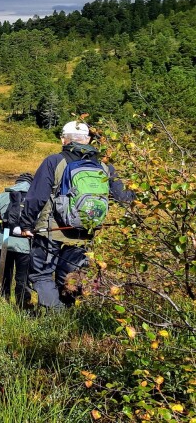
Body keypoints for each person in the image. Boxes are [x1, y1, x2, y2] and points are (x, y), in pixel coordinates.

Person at [19, 121, 131, 310]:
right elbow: (125, 198)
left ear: (64, 139)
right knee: (70, 275)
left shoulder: (54, 161)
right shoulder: (105, 167)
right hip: (85, 231)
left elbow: (36, 197)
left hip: (51, 230)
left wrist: (26, 225)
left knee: (42, 275)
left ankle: (56, 319)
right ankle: (68, 313)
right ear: (88, 140)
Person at [0, 172, 33, 308]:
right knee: (23, 280)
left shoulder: (4, 196)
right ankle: (23, 308)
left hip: (4, 242)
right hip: (27, 245)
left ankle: (3, 304)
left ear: (16, 183)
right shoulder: (36, 198)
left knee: (4, 277)